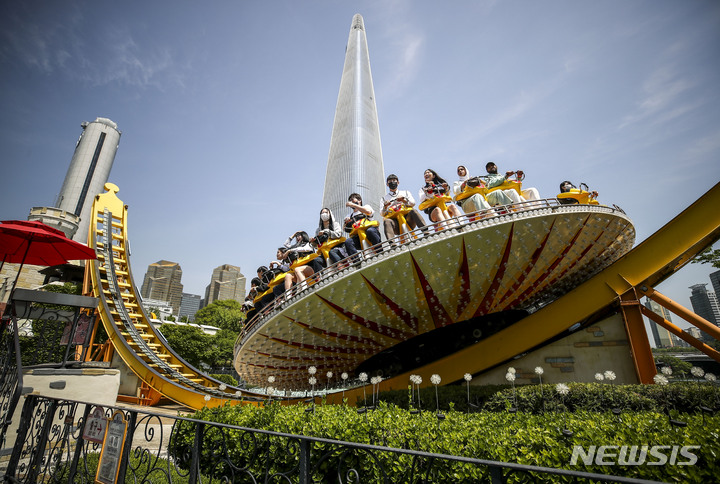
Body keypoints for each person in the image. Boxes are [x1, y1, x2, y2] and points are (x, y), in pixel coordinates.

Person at [381, 174, 426, 240]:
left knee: (414, 211)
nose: (392, 182)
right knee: (387, 222)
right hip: (395, 223)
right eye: (390, 181)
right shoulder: (384, 198)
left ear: (398, 182)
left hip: (408, 218)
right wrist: (385, 206)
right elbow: (382, 213)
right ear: (387, 184)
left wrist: (403, 200)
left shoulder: (405, 192)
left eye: (394, 181)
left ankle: (425, 231)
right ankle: (392, 243)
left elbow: (413, 203)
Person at [343, 193, 382, 259]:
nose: (351, 202)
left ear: (359, 200)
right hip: (358, 236)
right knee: (348, 242)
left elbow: (368, 212)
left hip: (369, 232)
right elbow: (345, 228)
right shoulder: (349, 215)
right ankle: (356, 262)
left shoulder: (366, 207)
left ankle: (380, 252)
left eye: (353, 200)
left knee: (370, 231)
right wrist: (346, 222)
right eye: (350, 201)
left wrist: (354, 205)